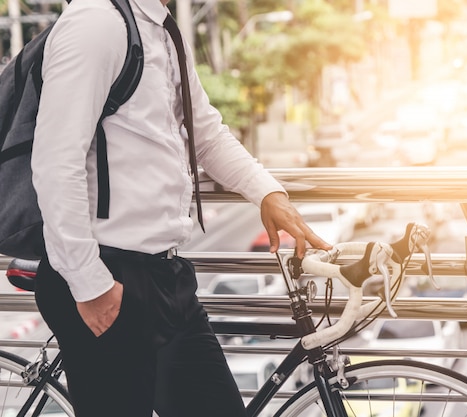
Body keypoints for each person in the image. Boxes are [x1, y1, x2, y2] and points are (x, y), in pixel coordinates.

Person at [30, 0, 332, 415]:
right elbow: (54, 161)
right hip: (108, 275)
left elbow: (204, 132)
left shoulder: (161, 27)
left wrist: (266, 191)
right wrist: (90, 284)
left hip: (164, 276)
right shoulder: (96, 23)